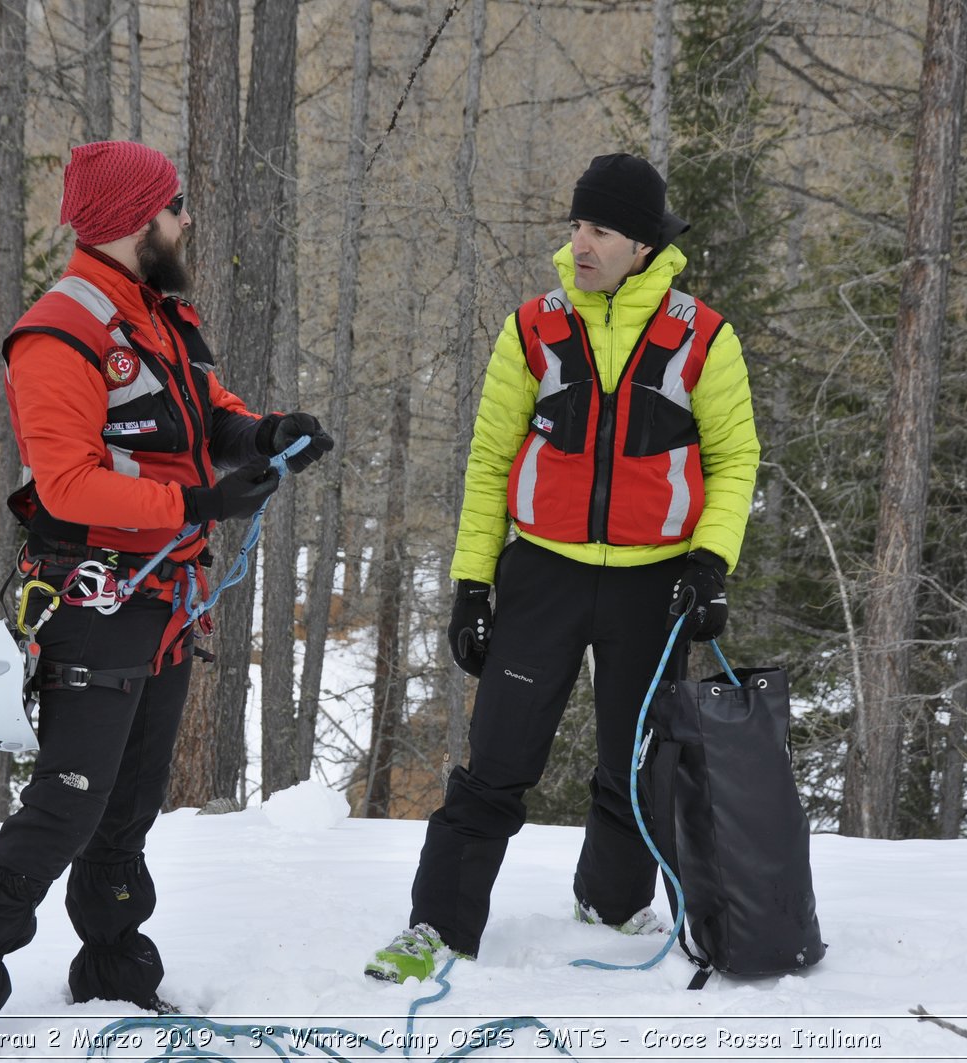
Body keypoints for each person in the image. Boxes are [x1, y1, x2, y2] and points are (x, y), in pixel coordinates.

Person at [0, 140, 333, 1050]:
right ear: (137, 222)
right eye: (175, 207)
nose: (185, 222)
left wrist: (265, 434)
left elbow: (201, 410)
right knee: (68, 804)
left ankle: (113, 973)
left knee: (128, 807)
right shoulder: (60, 332)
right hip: (91, 597)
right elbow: (66, 482)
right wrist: (198, 501)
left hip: (163, 599)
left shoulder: (153, 316)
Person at [365, 153, 759, 982]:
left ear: (644, 245)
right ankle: (437, 925)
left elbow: (735, 459)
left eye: (600, 230)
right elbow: (489, 456)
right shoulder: (535, 326)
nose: (580, 244)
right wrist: (473, 583)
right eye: (577, 226)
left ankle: (613, 904)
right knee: (498, 760)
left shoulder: (702, 336)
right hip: (540, 574)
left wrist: (709, 564)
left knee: (635, 757)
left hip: (653, 582)